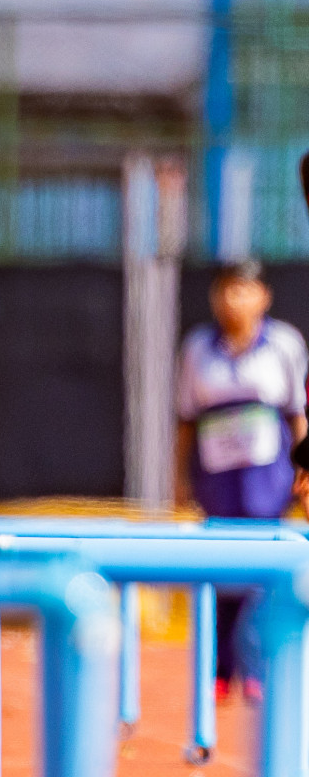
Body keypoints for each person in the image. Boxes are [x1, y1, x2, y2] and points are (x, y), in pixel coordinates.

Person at [175, 259, 308, 703]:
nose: (234, 300)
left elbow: (297, 413)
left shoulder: (284, 345)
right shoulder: (197, 347)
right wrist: (179, 478)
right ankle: (219, 670)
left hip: (269, 475)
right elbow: (186, 420)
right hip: (217, 475)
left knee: (263, 571)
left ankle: (256, 666)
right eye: (225, 290)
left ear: (264, 296)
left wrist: (305, 470)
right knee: (221, 570)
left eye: (244, 290)